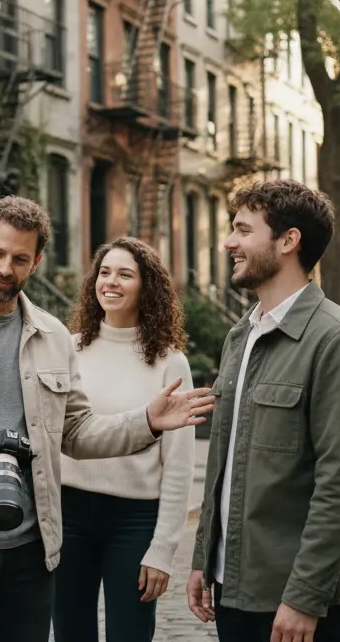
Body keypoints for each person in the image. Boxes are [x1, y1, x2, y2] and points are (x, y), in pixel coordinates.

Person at [0, 196, 215, 642]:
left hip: (30, 554)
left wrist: (146, 420)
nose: (6, 268)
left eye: (20, 258)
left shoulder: (53, 339)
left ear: (37, 262)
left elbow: (78, 431)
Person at [185, 179, 340, 642]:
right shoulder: (241, 336)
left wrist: (304, 596)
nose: (229, 242)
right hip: (233, 586)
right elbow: (225, 461)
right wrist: (204, 558)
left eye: (242, 230)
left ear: (288, 240)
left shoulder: (339, 342)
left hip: (294, 599)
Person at [52, 237, 197, 642]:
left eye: (125, 274)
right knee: (69, 632)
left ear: (145, 287)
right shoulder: (69, 348)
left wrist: (163, 549)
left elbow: (180, 467)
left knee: (130, 634)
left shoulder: (170, 361)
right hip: (69, 513)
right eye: (104, 272)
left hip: (135, 521)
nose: (110, 282)